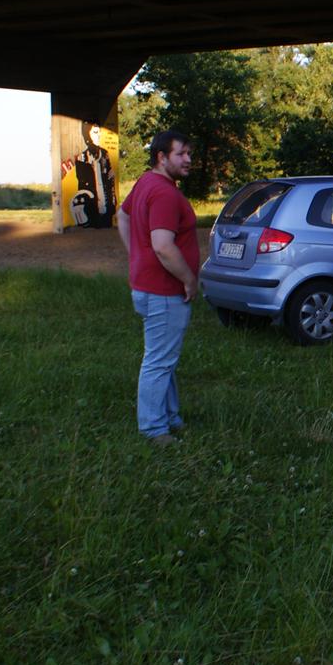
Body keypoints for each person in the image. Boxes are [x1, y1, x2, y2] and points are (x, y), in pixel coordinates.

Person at [117, 130, 200, 447]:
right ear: (162, 157)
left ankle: (171, 418)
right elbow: (163, 246)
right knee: (158, 362)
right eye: (181, 153)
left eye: (189, 153)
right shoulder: (164, 193)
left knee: (164, 358)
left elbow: (122, 216)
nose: (188, 159)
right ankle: (153, 429)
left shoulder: (146, 183)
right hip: (164, 291)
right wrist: (189, 279)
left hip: (148, 287)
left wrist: (136, 255)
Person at [67, 121, 117, 228]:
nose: (99, 135)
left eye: (99, 132)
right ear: (87, 135)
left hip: (107, 206)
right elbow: (83, 185)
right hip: (92, 209)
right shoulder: (81, 158)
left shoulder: (105, 154)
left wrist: (113, 203)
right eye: (95, 132)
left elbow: (110, 180)